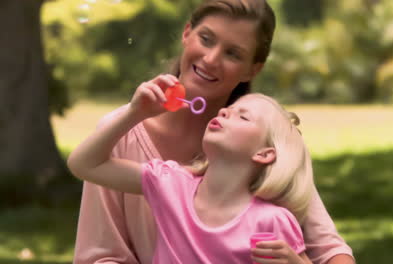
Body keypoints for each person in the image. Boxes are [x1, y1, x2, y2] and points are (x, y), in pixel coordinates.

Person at [72, 0, 355, 263]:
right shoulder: (125, 138)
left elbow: (330, 249)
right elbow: (101, 255)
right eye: (206, 39)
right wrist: (135, 114)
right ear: (186, 33)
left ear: (253, 69)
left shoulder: (262, 139)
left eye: (233, 53)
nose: (210, 59)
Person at [68, 91, 315, 263]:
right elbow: (85, 165)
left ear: (264, 153)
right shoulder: (171, 184)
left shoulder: (271, 222)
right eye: (227, 109)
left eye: (243, 116)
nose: (224, 112)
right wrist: (135, 113)